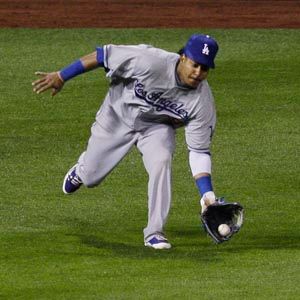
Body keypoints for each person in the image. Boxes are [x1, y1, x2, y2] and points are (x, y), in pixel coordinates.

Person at [32, 33, 219, 250]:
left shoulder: (202, 103)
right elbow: (103, 55)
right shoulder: (150, 61)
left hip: (156, 127)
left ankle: (154, 232)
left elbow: (199, 151)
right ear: (184, 57)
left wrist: (207, 193)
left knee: (162, 160)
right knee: (91, 177)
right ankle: (82, 170)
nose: (198, 73)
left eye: (204, 69)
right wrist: (62, 76)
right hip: (118, 114)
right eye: (195, 64)